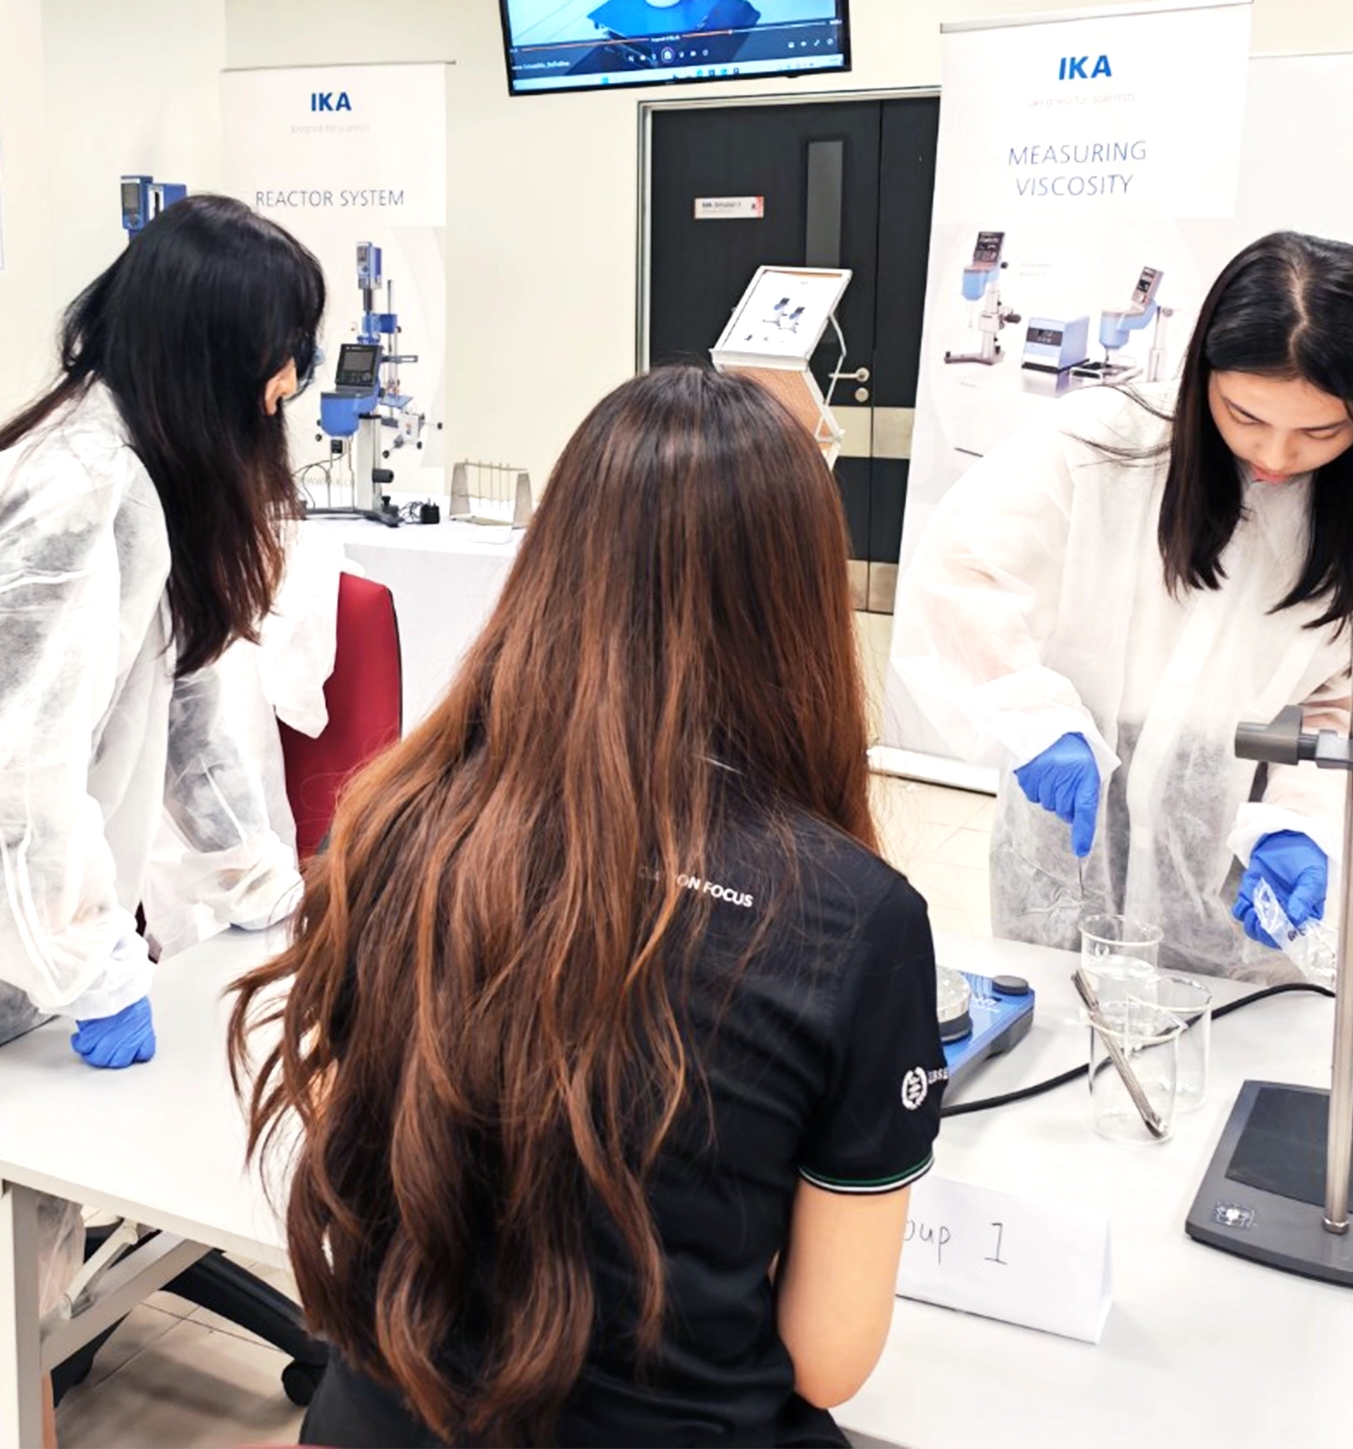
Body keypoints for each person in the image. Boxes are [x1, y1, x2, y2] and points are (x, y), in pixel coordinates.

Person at [231, 364, 946, 1449]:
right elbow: (827, 1356)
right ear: (802, 604)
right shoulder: (853, 919)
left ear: (555, 564)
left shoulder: (396, 820)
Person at [0, 195, 325, 1449]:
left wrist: (262, 888)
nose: (292, 384)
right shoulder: (80, 491)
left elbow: (186, 714)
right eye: (285, 355)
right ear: (219, 357)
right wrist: (89, 957)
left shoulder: (142, 472)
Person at [891, 231, 1353, 979]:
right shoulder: (1101, 446)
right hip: (1078, 799)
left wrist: (1304, 821)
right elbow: (963, 571)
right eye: (1245, 416)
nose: (1277, 456)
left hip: (1242, 825)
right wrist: (1033, 718)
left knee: (1228, 1056)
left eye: (1321, 430)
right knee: (1061, 1042)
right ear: (1203, 378)